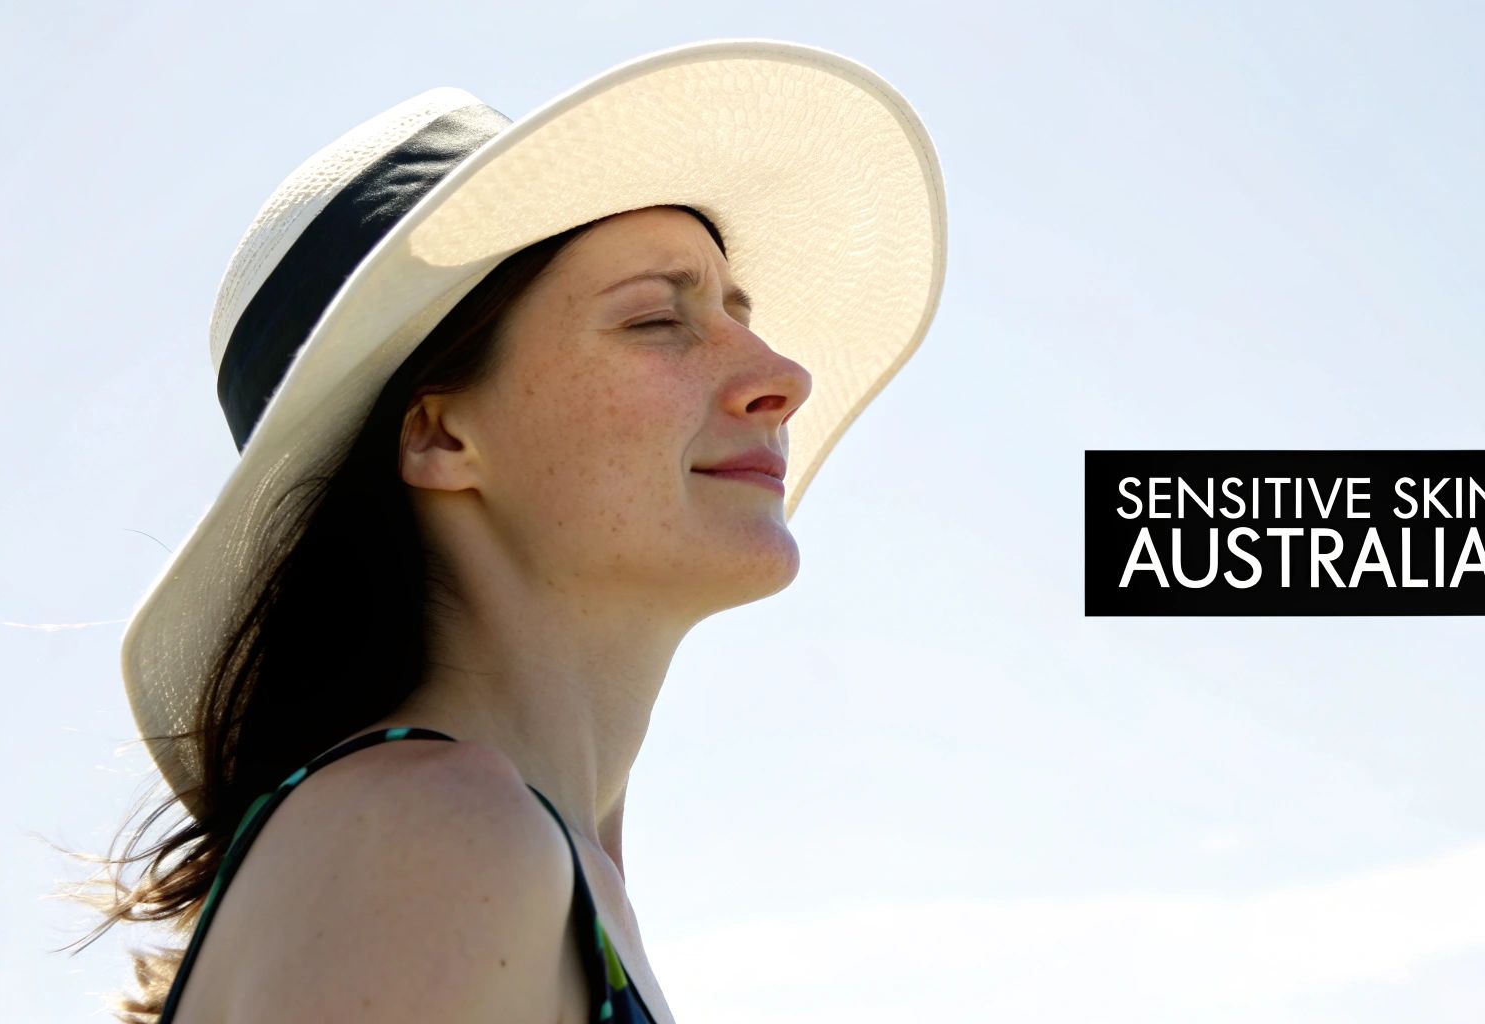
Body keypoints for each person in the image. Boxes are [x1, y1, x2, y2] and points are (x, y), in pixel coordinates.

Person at [60, 40, 947, 1022]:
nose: (783, 376)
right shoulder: (432, 831)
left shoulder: (509, 860)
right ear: (439, 433)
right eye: (658, 320)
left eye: (741, 311)